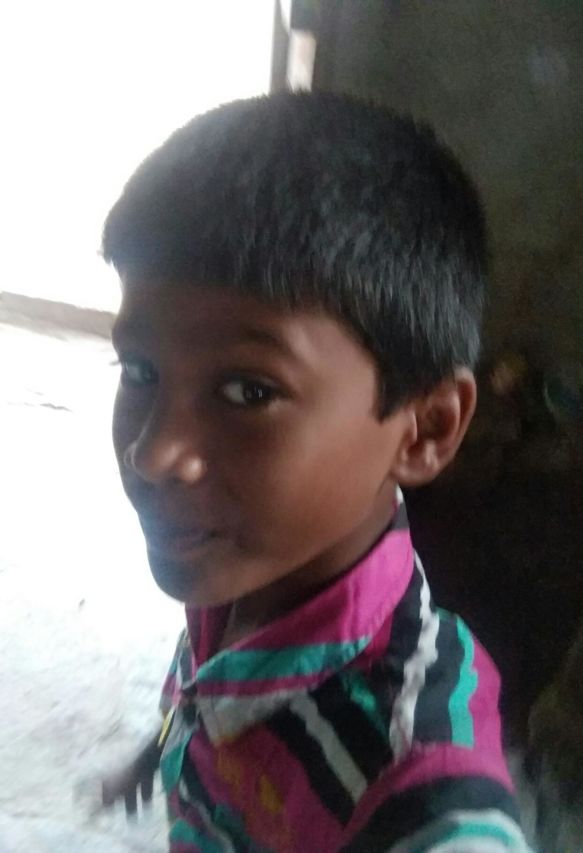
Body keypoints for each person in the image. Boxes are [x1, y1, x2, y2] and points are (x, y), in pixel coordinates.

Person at [100, 91, 531, 852]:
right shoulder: (239, 563)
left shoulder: (417, 775)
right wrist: (162, 752)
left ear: (426, 429)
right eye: (140, 370)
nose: (154, 453)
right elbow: (207, 688)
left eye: (248, 391)